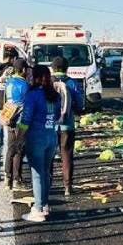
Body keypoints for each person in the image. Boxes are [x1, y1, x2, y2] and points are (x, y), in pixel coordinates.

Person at [18, 65, 60, 222]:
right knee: (45, 172)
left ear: (35, 77)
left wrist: (19, 138)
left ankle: (38, 209)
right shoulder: (54, 95)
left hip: (36, 138)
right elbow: (56, 116)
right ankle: (45, 204)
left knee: (37, 174)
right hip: (51, 136)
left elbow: (26, 120)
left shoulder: (32, 95)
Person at [51, 56, 85, 196]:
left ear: (52, 68)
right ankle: (68, 186)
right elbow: (80, 104)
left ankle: (48, 184)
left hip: (50, 126)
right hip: (67, 125)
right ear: (67, 68)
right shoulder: (72, 83)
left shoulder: (47, 82)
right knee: (67, 155)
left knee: (49, 156)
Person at [2, 57, 30, 191]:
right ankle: (17, 180)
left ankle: (7, 178)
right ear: (24, 70)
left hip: (9, 119)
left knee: (10, 148)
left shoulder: (9, 82)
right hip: (21, 122)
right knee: (19, 150)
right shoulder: (25, 85)